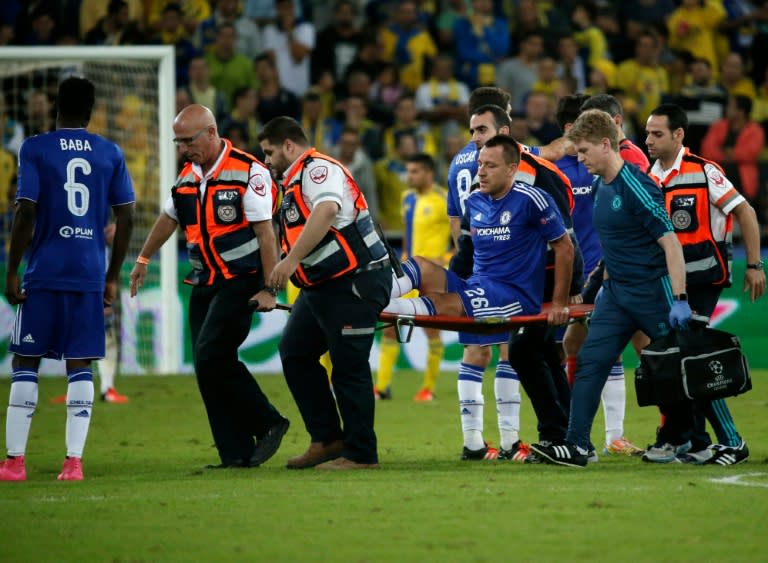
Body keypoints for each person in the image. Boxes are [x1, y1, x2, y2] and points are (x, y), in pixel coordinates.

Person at [387, 134, 574, 460]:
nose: (481, 172)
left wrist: (559, 302)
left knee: (454, 312)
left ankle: (389, 307)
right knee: (419, 266)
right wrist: (449, 280)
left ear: (512, 168)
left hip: (515, 296)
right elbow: (468, 253)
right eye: (479, 165)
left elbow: (565, 248)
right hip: (478, 287)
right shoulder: (473, 201)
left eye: (490, 165)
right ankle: (379, 299)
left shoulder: (534, 199)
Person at [129, 104, 289, 470]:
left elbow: (268, 235)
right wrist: (143, 259)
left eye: (189, 141)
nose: (183, 149)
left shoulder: (249, 171)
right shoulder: (187, 178)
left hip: (241, 281)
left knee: (209, 355)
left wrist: (269, 289)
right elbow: (169, 219)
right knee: (208, 365)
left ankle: (268, 422)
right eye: (178, 142)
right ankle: (233, 451)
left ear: (212, 133)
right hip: (204, 283)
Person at [531, 109, 692, 468]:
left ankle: (719, 439)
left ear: (607, 144)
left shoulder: (635, 185)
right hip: (616, 295)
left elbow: (671, 244)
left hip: (653, 292)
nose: (580, 157)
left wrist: (679, 299)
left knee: (679, 369)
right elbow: (612, 252)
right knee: (590, 362)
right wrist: (592, 293)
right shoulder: (602, 187)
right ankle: (578, 446)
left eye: (585, 150)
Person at [0, 77, 135, 482]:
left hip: (45, 271)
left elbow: (25, 211)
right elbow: (126, 216)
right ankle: (73, 463)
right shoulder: (110, 152)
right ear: (92, 111)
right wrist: (112, 276)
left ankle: (14, 463)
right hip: (89, 274)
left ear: (57, 107)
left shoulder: (36, 147)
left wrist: (11, 270)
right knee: (81, 365)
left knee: (26, 362)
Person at [257, 116, 392, 471]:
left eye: (270, 152)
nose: (267, 161)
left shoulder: (319, 170)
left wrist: (290, 261)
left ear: (289, 145)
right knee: (295, 353)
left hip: (356, 281)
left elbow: (327, 209)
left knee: (348, 368)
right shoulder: (293, 181)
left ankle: (362, 454)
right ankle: (328, 439)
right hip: (324, 285)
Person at [644, 103, 765, 464]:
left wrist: (755, 265)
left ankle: (724, 440)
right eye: (648, 133)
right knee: (674, 359)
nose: (648, 140)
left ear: (679, 135)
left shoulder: (704, 172)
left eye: (657, 134)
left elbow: (745, 211)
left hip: (703, 278)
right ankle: (689, 438)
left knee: (692, 357)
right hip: (668, 282)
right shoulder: (651, 177)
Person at [560, 93, 647, 457]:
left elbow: (654, 229)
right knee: (578, 347)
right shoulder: (580, 166)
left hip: (623, 274)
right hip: (590, 272)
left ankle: (674, 429)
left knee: (649, 348)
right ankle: (585, 435)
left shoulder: (630, 162)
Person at [375, 153, 451, 402]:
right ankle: (382, 387)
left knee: (431, 332)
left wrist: (445, 259)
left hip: (432, 276)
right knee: (389, 327)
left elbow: (459, 238)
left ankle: (428, 388)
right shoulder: (406, 198)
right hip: (408, 273)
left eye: (415, 171)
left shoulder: (443, 199)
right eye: (409, 171)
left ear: (429, 173)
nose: (410, 176)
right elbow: (408, 237)